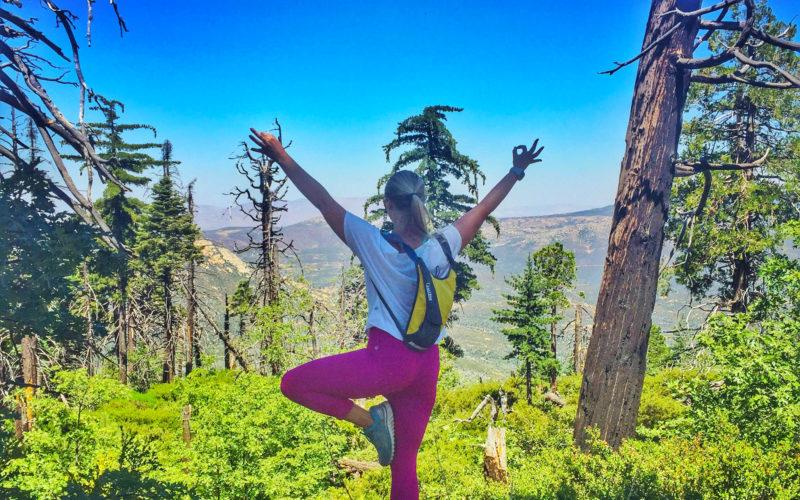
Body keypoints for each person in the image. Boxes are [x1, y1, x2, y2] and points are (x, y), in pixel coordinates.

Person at [248, 127, 542, 499]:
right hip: (426, 366)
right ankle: (378, 426)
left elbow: (323, 201)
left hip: (387, 362)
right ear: (422, 201)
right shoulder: (444, 245)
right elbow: (483, 208)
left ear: (389, 205)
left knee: (293, 384)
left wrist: (281, 156)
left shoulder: (374, 244)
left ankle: (371, 422)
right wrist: (517, 170)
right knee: (404, 465)